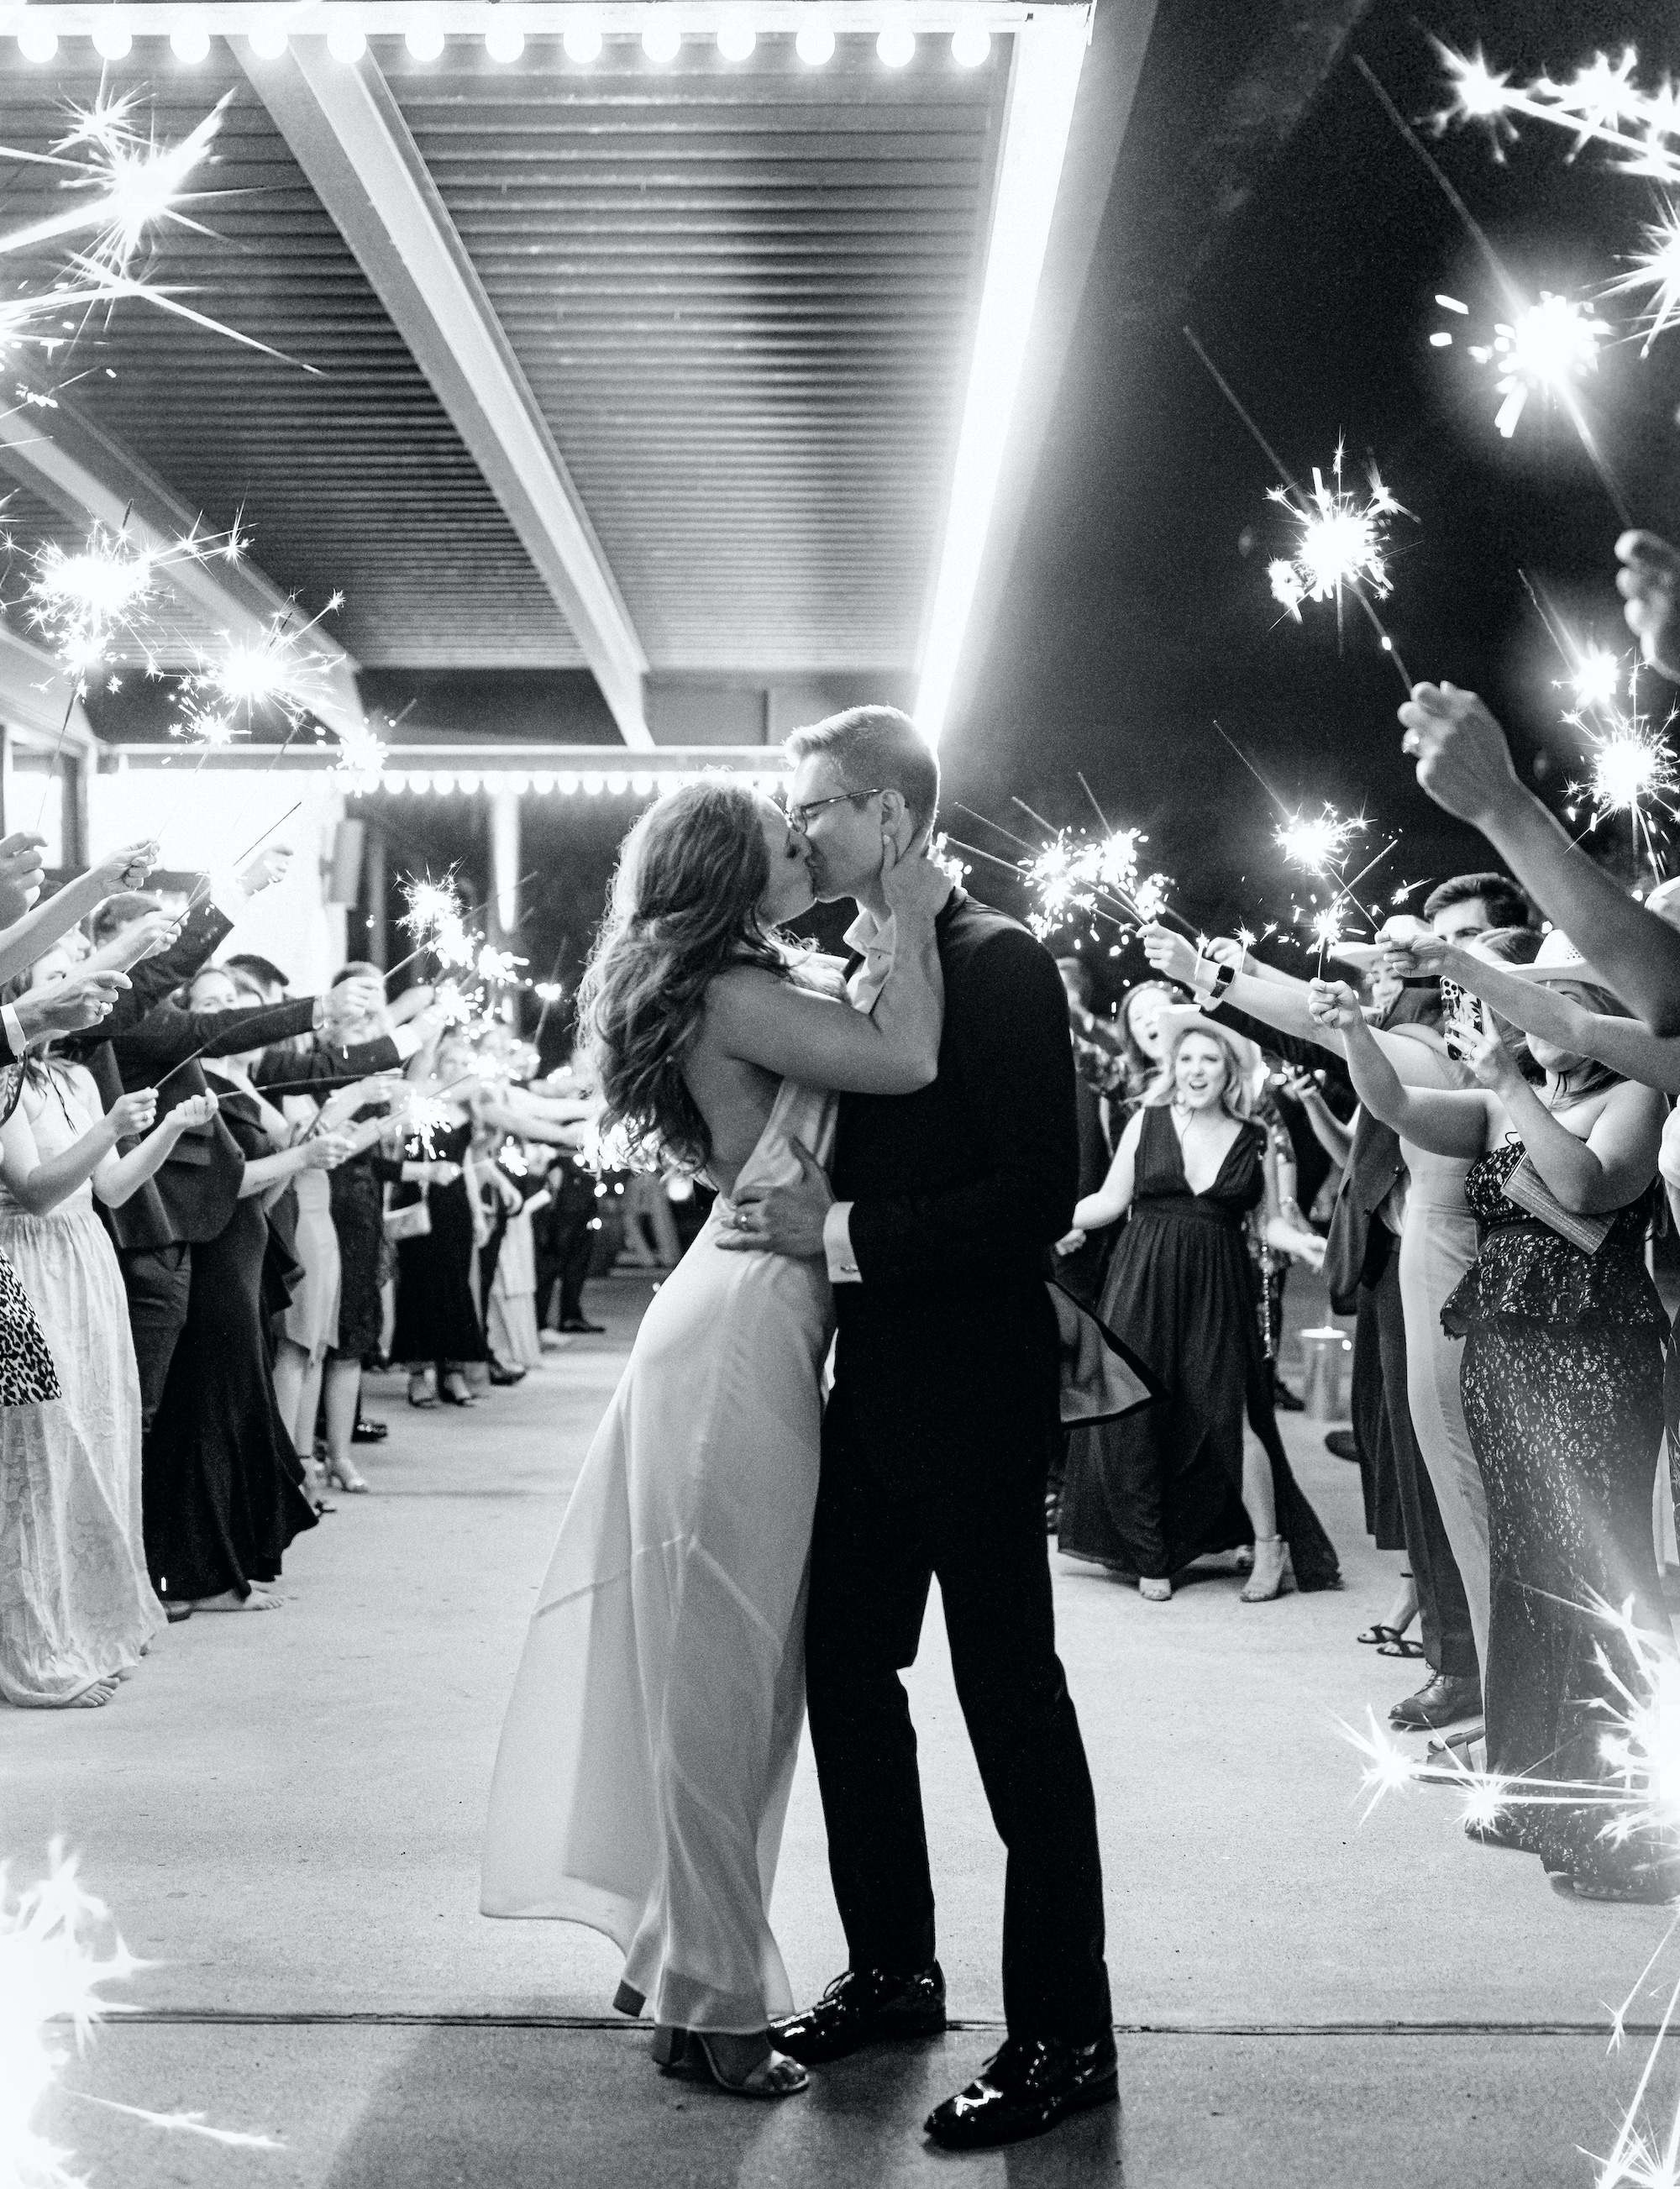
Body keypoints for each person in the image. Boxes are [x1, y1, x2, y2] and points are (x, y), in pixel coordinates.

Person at [482, 769, 948, 2105]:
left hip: (745, 1314)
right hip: (744, 1330)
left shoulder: (730, 980)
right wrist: (907, 911)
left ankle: (695, 1979)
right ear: (733, 879)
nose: (803, 847)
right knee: (726, 1679)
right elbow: (907, 1058)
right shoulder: (739, 994)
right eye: (779, 843)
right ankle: (723, 2008)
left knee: (727, 1678)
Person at [716, 706, 1118, 2151]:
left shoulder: (1000, 963)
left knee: (1010, 1697)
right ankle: (895, 1965)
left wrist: (842, 1232)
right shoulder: (858, 964)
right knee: (843, 1666)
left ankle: (1068, 2034)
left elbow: (1035, 1194)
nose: (798, 824)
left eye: (817, 803)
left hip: (977, 1384)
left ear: (889, 817)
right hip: (870, 1391)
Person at [1314, 944, 1672, 1899]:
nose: (1528, 1024)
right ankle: (1526, 1789)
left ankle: (1598, 1820)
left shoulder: (1632, 1088)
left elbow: (1589, 1189)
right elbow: (1393, 1108)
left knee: (1589, 1572)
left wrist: (1510, 1083)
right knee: (1522, 1567)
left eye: (1553, 1009)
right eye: (1525, 1010)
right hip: (1505, 1355)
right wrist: (1352, 1031)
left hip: (1594, 1358)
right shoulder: (1489, 1102)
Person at [1054, 1011, 1339, 1603]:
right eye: (1186, 1059)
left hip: (1216, 1283)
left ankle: (1269, 1545)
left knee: (1227, 1414)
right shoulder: (1147, 1121)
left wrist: (1306, 1241)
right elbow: (1110, 1201)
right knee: (1133, 1412)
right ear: (1172, 1068)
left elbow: (1270, 1225)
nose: (1195, 1069)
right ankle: (1149, 1554)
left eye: (1208, 1059)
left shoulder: (1252, 1136)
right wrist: (1043, 1218)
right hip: (1141, 1277)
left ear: (1228, 1070)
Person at [0, 1015, 217, 1707]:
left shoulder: (74, 1077)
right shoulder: (2, 1083)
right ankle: (34, 1651)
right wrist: (109, 1124)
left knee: (99, 1441)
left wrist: (169, 1128)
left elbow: (114, 1187)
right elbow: (34, 1189)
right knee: (44, 1455)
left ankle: (85, 1627)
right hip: (30, 1260)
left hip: (86, 1261)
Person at [142, 972, 356, 1616]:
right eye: (206, 1003)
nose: (221, 1011)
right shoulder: (180, 1083)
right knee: (206, 1413)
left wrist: (300, 1157)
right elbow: (216, 1186)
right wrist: (299, 1159)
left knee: (236, 1411)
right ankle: (197, 1577)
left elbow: (259, 1190)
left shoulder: (237, 1083)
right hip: (208, 1264)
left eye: (229, 1001)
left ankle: (230, 1565)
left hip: (246, 1254)